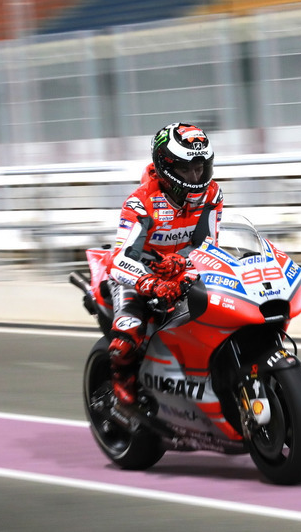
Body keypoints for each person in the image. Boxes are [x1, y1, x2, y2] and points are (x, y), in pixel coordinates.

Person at [107, 123, 224, 405]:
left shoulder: (212, 195)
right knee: (127, 335)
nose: (195, 175)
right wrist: (150, 282)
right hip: (137, 276)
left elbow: (210, 247)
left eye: (200, 167)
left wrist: (187, 269)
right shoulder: (140, 203)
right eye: (186, 169)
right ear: (165, 166)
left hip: (184, 272)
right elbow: (119, 258)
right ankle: (122, 380)